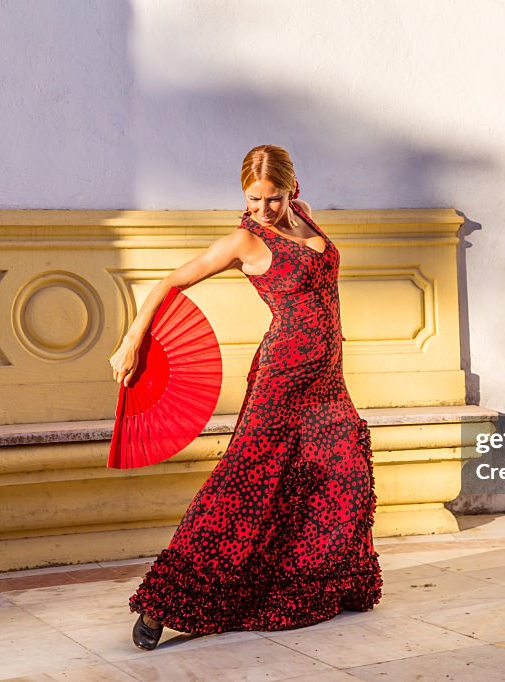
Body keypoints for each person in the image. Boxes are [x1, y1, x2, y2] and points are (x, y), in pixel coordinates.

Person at [109, 144, 382, 650]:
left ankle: (319, 584)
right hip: (283, 378)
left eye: (271, 199)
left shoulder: (302, 218)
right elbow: (172, 280)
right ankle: (160, 606)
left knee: (342, 474)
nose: (262, 210)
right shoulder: (244, 241)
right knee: (244, 483)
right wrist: (132, 340)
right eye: (253, 200)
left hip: (326, 378)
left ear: (292, 189)